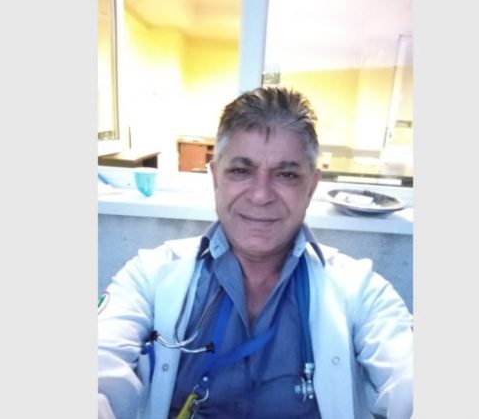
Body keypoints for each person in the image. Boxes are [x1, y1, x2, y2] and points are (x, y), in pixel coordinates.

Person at [98, 86, 413, 419]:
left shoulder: (363, 292)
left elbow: (408, 375)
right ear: (215, 178)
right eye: (241, 171)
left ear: (311, 186)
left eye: (286, 174)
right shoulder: (148, 277)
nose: (261, 195)